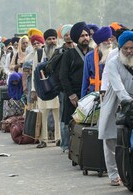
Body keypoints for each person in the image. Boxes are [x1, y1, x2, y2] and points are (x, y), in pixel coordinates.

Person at [98, 31, 133, 186]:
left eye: (132, 48)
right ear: (120, 48)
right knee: (110, 139)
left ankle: (132, 172)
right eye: (125, 48)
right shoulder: (113, 63)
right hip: (115, 102)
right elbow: (118, 87)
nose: (128, 51)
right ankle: (113, 174)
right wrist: (130, 103)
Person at [59, 22, 92, 151]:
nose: (85, 38)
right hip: (74, 94)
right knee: (72, 121)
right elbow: (63, 76)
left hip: (89, 93)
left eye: (87, 35)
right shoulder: (69, 54)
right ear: (77, 38)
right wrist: (71, 94)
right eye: (82, 35)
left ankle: (87, 147)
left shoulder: (93, 52)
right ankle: (70, 147)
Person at [31, 29, 61, 148]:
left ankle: (59, 138)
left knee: (58, 114)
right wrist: (34, 90)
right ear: (45, 40)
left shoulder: (59, 52)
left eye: (54, 38)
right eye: (49, 39)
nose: (52, 41)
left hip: (57, 88)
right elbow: (34, 72)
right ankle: (43, 140)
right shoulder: (39, 53)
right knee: (42, 113)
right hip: (43, 88)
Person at [57, 23, 74, 152]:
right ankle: (65, 144)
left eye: (70, 34)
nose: (68, 37)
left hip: (77, 88)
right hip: (63, 90)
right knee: (65, 116)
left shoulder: (79, 50)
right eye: (66, 35)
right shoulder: (60, 51)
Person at [81, 26, 112, 98]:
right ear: (99, 43)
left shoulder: (115, 55)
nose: (109, 42)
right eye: (106, 40)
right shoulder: (89, 57)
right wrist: (82, 98)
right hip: (94, 93)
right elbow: (85, 80)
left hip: (111, 91)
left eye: (110, 39)